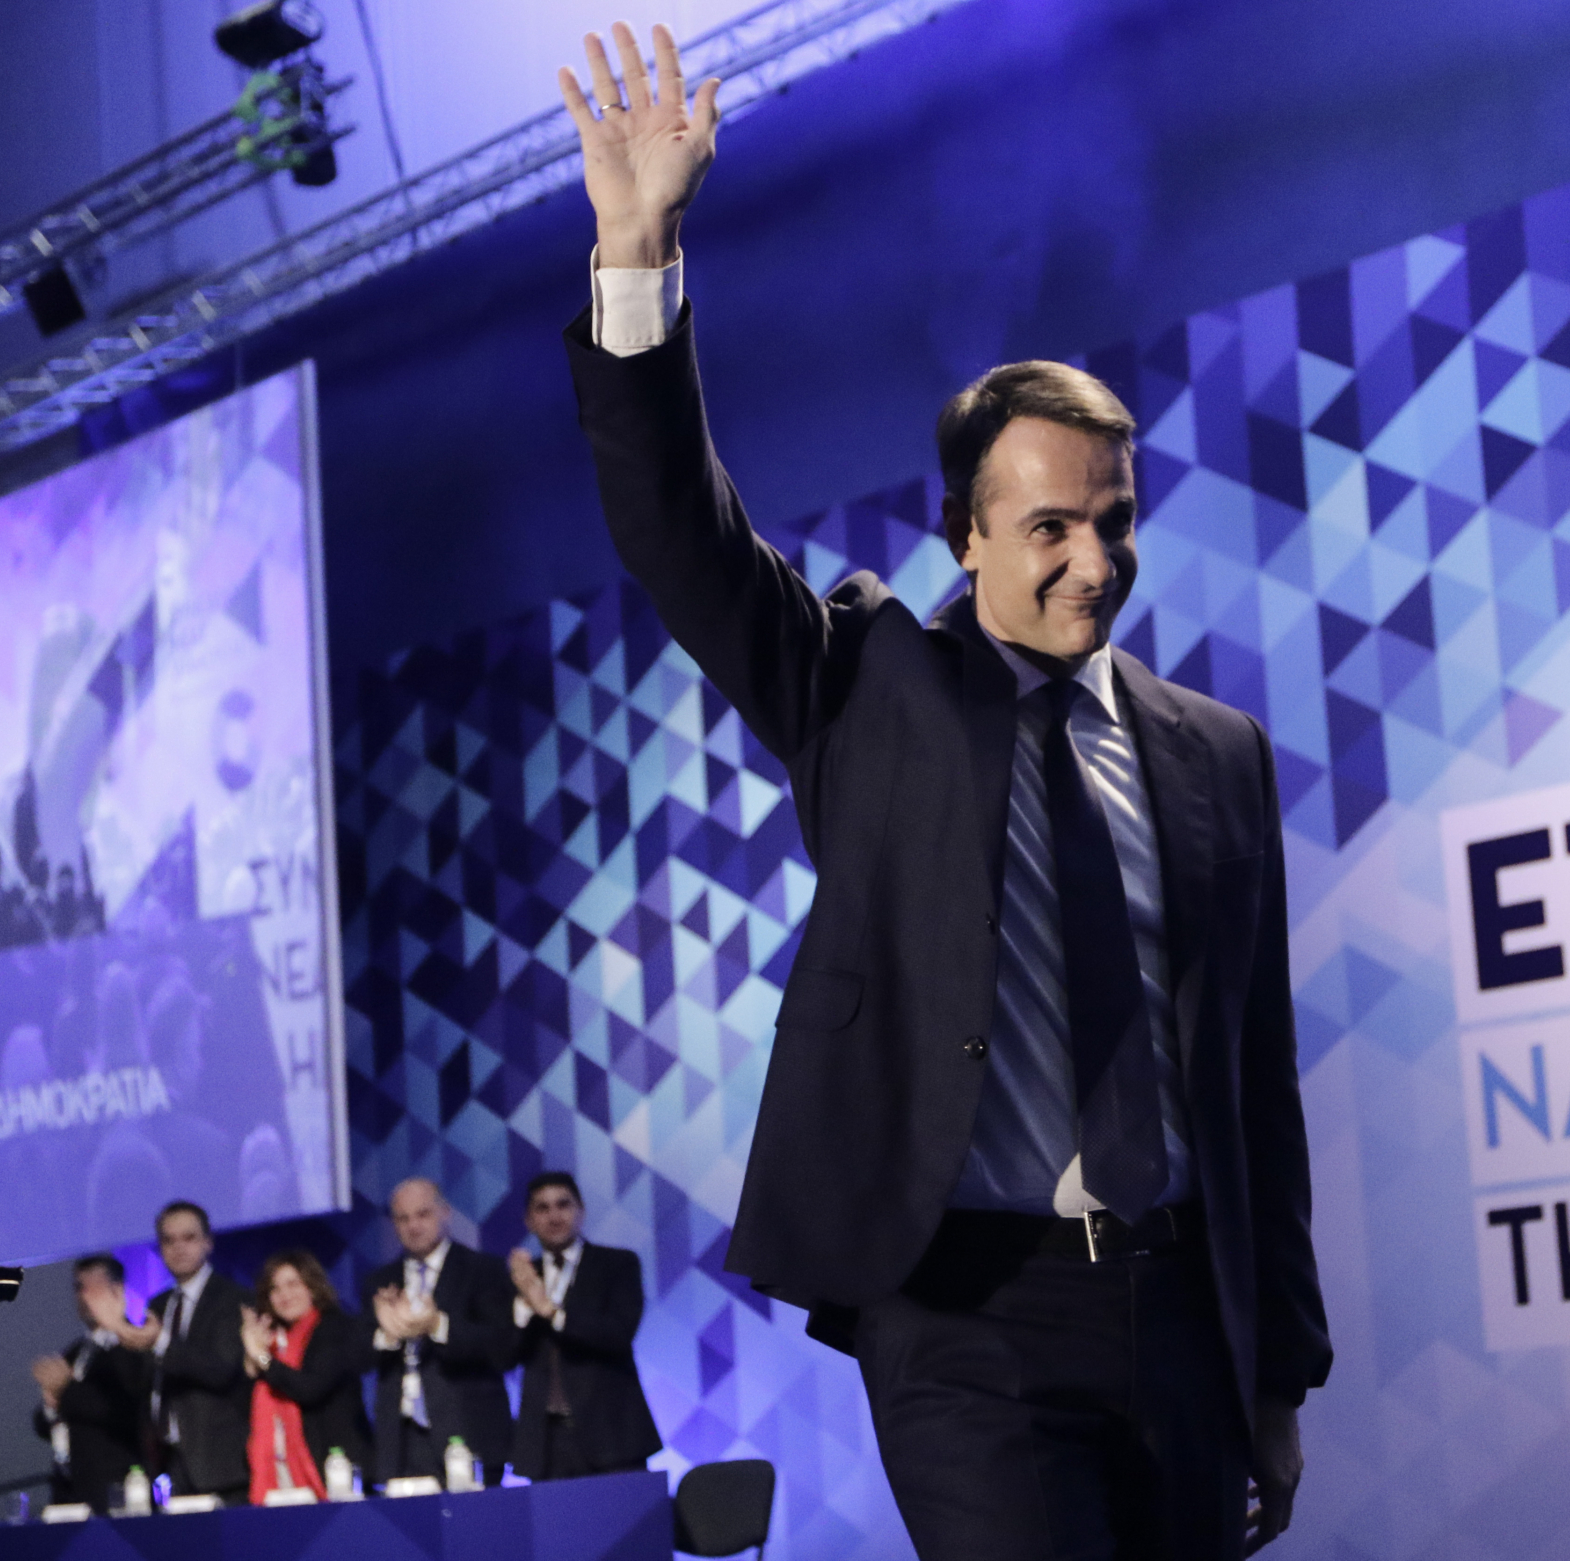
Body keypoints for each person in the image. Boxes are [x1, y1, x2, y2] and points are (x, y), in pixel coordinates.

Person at [555, 25, 1332, 1558]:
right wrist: (637, 256)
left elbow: (1255, 1086)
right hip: (968, 1317)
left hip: (1182, 1312)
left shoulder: (1218, 755)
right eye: (1050, 528)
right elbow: (679, 534)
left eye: (1114, 522)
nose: (1093, 562)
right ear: (965, 534)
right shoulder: (866, 681)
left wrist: (1278, 1373)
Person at [507, 1171, 662, 1480]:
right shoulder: (523, 1277)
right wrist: (524, 1308)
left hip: (612, 1435)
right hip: (545, 1443)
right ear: (529, 1221)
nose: (554, 1216)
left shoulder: (617, 1264)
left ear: (581, 1211)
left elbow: (618, 1335)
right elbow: (504, 1356)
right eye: (542, 1208)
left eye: (563, 1205)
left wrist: (550, 1311)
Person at [360, 1177, 517, 1482]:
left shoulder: (483, 1270)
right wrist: (388, 1334)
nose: (413, 1226)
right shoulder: (380, 1281)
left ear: (445, 1213)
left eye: (423, 1214)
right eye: (403, 1218)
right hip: (402, 1442)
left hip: (469, 1433)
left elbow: (501, 1347)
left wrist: (437, 1325)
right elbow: (355, 1355)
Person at [136, 1200, 251, 1501]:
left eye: (188, 1238)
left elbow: (221, 1370)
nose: (178, 1248)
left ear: (207, 1242)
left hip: (222, 1464)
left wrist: (161, 1343)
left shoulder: (232, 1298)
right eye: (169, 1240)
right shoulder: (158, 1305)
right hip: (170, 1463)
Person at [241, 1251, 371, 1502]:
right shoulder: (270, 1339)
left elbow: (310, 1387)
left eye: (293, 1284)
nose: (284, 1295)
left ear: (312, 1286)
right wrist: (251, 1363)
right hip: (280, 1473)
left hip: (332, 1466)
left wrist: (263, 1359)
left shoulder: (334, 1327)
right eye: (275, 1288)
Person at [30, 1253, 149, 1510]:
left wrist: (66, 1389)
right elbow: (42, 1423)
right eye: (78, 1288)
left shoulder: (134, 1346)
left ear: (117, 1292)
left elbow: (123, 1409)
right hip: (69, 1489)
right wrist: (51, 1405)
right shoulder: (76, 1352)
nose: (83, 1297)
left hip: (115, 1488)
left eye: (93, 1289)